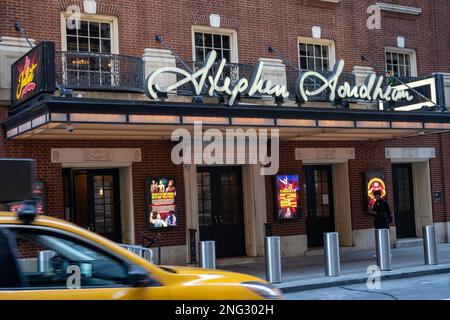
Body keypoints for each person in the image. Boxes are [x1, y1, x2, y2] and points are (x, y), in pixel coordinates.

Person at [370, 190, 393, 258]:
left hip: (384, 223)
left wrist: (377, 213)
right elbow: (374, 212)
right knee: (378, 239)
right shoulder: (375, 203)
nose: (375, 197)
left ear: (379, 195)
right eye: (374, 195)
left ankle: (388, 253)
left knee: (385, 239)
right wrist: (373, 213)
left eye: (376, 195)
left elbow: (386, 213)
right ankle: (379, 253)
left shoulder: (384, 203)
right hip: (378, 222)